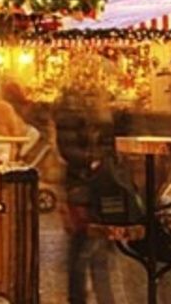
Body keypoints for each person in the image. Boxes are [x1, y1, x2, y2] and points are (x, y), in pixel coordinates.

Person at [53, 85, 115, 304]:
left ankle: (86, 296)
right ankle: (84, 296)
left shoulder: (95, 122)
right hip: (83, 189)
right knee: (85, 245)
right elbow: (72, 152)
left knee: (89, 245)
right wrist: (94, 162)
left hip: (88, 188)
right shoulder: (75, 120)